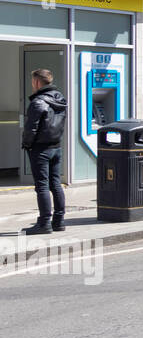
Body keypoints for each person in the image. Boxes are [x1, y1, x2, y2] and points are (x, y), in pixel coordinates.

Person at [21, 68, 67, 235]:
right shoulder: (60, 99)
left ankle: (44, 223)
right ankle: (59, 221)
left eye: (33, 81)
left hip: (40, 148)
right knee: (55, 184)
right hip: (56, 146)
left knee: (41, 186)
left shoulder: (38, 102)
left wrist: (27, 144)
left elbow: (30, 128)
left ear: (37, 82)